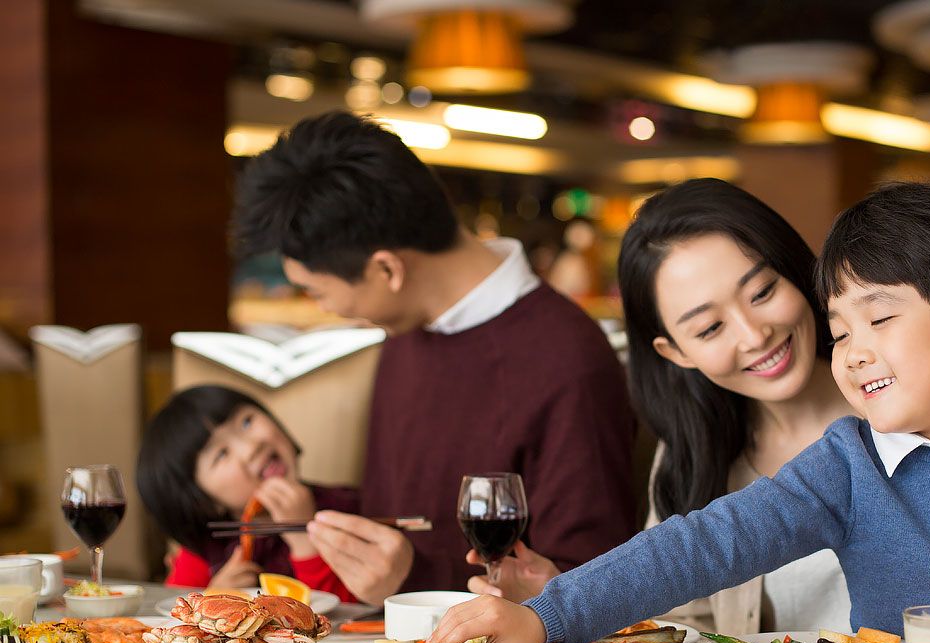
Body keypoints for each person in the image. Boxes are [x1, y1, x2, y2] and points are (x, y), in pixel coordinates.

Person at [429, 181, 930, 643]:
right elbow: (700, 543)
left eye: (879, 319)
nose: (853, 352)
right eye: (842, 327)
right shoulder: (846, 462)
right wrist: (545, 613)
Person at [232, 111, 637, 605]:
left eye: (318, 292)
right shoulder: (405, 326)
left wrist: (412, 575)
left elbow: (594, 585)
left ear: (387, 269)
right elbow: (409, 510)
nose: (327, 309)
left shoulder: (568, 361)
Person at [469, 179, 854, 635]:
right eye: (710, 328)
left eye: (763, 293)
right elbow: (683, 629)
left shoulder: (908, 422)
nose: (753, 335)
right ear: (675, 352)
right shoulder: (693, 450)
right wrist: (564, 600)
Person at [137, 386, 357, 601]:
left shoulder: (349, 510)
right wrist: (214, 596)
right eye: (222, 454)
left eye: (247, 421)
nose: (251, 447)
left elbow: (352, 614)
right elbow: (176, 618)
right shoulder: (204, 549)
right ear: (204, 502)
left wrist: (304, 537)